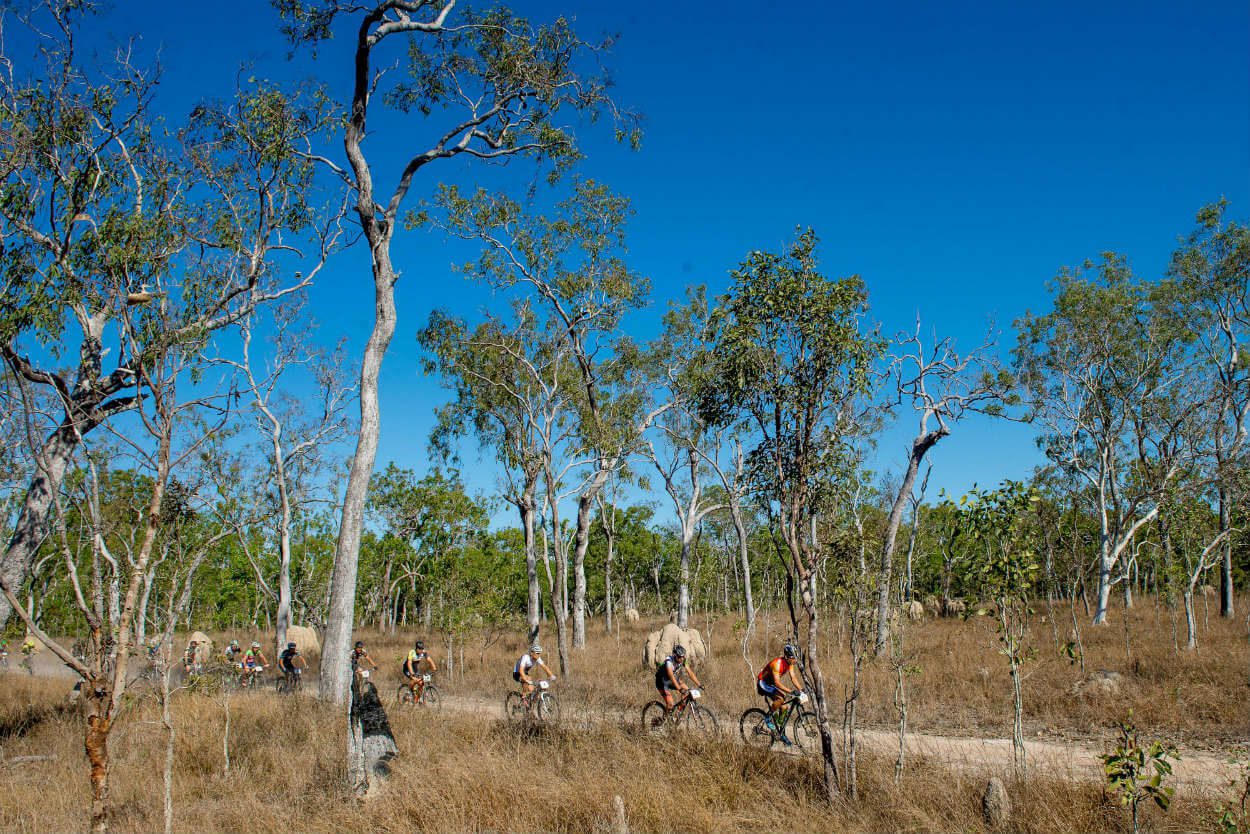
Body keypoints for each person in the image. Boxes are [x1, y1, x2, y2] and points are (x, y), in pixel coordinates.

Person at [756, 643, 804, 742]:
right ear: (787, 657)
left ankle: (780, 732)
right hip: (763, 683)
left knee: (785, 707)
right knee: (781, 698)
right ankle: (768, 718)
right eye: (793, 658)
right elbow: (777, 683)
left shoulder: (790, 663)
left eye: (796, 658)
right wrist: (791, 691)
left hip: (771, 684)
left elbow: (793, 677)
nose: (795, 660)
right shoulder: (777, 664)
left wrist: (801, 689)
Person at [654, 643, 703, 717]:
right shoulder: (669, 661)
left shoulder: (683, 660)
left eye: (683, 656)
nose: (682, 659)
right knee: (670, 704)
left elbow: (690, 673)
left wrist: (699, 684)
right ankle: (663, 719)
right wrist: (679, 689)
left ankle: (677, 714)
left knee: (687, 691)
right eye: (680, 657)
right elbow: (671, 676)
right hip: (662, 682)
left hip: (671, 680)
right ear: (675, 655)